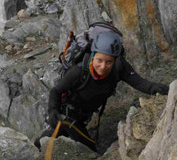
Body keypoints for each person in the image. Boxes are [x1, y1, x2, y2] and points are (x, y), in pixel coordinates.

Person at [36, 31, 169, 152]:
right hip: (68, 116)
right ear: (93, 55)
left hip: (83, 117)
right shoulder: (79, 71)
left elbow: (140, 83)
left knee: (66, 137)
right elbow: (56, 91)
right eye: (99, 60)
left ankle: (39, 145)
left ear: (115, 60)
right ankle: (37, 146)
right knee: (90, 149)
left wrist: (165, 89)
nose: (103, 66)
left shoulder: (119, 67)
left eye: (108, 62)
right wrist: (52, 110)